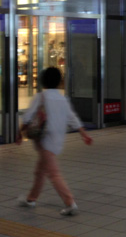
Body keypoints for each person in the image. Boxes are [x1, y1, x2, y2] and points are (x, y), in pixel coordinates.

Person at [16, 67, 93, 215]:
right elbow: (72, 117)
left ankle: (70, 203)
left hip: (45, 139)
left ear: (43, 81)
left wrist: (20, 132)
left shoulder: (41, 97)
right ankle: (31, 199)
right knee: (40, 171)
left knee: (53, 174)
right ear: (59, 82)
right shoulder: (63, 99)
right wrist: (83, 133)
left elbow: (27, 117)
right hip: (58, 138)